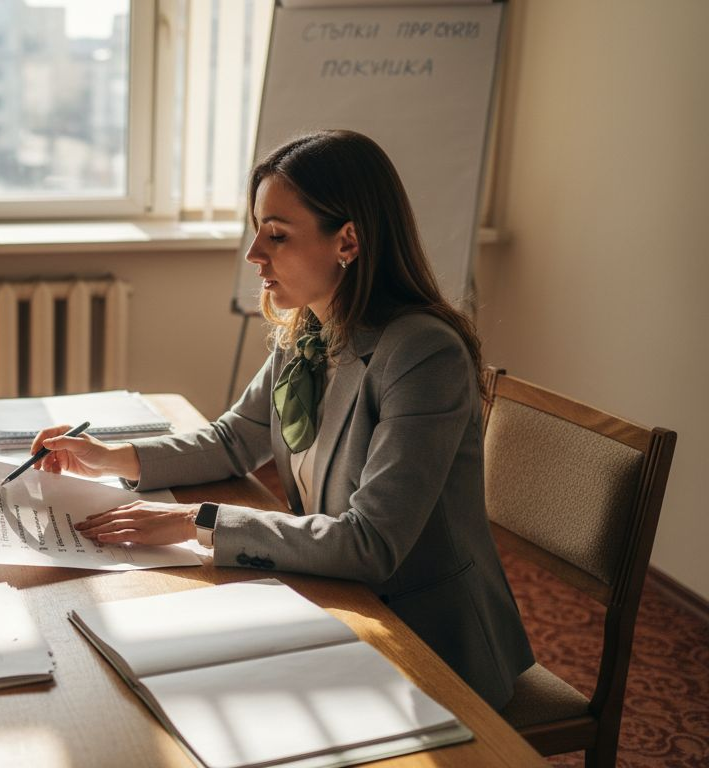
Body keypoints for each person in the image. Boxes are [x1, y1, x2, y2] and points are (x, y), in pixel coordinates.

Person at [31, 130, 534, 709]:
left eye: (276, 235)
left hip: (425, 634)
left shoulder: (423, 354)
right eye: (256, 231)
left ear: (347, 240)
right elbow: (234, 439)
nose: (253, 255)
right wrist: (113, 457)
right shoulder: (308, 330)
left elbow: (371, 543)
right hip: (336, 594)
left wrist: (195, 520)